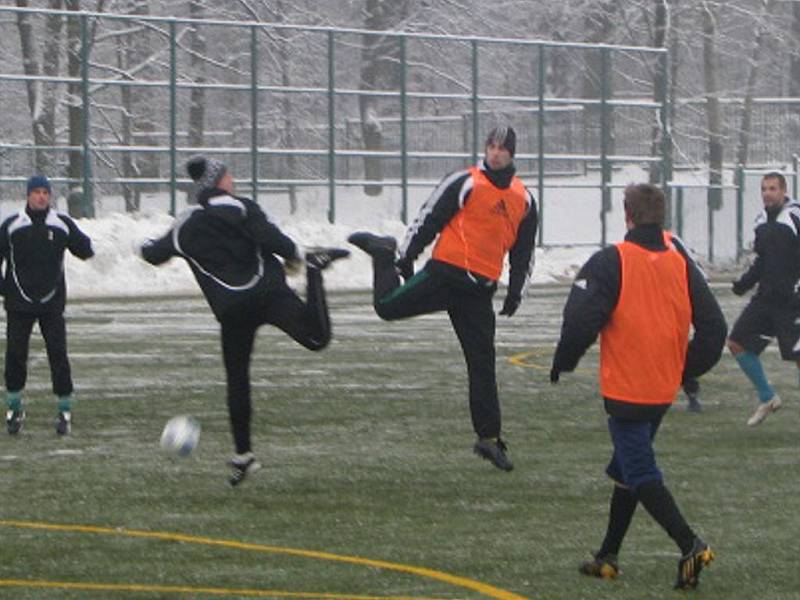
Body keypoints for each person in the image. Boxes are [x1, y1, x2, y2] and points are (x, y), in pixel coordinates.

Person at [550, 183, 727, 590]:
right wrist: (682, 369)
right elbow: (715, 328)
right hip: (661, 391)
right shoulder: (679, 261)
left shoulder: (613, 261)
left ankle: (690, 544)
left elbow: (581, 321)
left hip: (628, 391)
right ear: (661, 217)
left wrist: (564, 361)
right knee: (625, 469)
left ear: (627, 216)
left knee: (640, 470)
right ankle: (607, 556)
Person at [141, 156, 349, 486]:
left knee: (237, 379)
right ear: (217, 182)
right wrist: (296, 256)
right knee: (316, 338)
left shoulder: (186, 226)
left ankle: (243, 455)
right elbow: (270, 238)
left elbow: (152, 253)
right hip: (268, 294)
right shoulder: (241, 207)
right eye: (227, 175)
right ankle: (315, 271)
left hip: (232, 312)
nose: (232, 179)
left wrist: (152, 244)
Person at [347, 125, 537, 472]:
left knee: (482, 363)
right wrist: (404, 257)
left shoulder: (524, 198)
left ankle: (489, 439)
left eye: (502, 148)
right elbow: (429, 219)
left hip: (479, 291)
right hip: (445, 276)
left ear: (513, 153)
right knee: (386, 307)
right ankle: (382, 251)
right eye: (491, 146)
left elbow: (524, 251)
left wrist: (516, 290)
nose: (495, 153)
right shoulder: (464, 181)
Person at [0, 175, 94, 436]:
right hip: (19, 305)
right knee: (16, 356)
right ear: (28, 195)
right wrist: (4, 288)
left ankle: (64, 409)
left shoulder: (61, 224)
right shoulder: (12, 225)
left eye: (45, 192)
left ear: (50, 196)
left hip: (52, 304)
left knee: (58, 355)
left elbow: (85, 249)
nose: (41, 197)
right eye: (36, 192)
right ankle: (14, 407)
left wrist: (84, 245)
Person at [728, 171, 800, 426]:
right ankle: (768, 397)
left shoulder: (795, 216)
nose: (767, 193)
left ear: (783, 191)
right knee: (737, 343)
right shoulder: (761, 221)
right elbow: (762, 260)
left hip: (793, 301)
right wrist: (744, 283)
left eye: (772, 188)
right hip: (766, 299)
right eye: (764, 189)